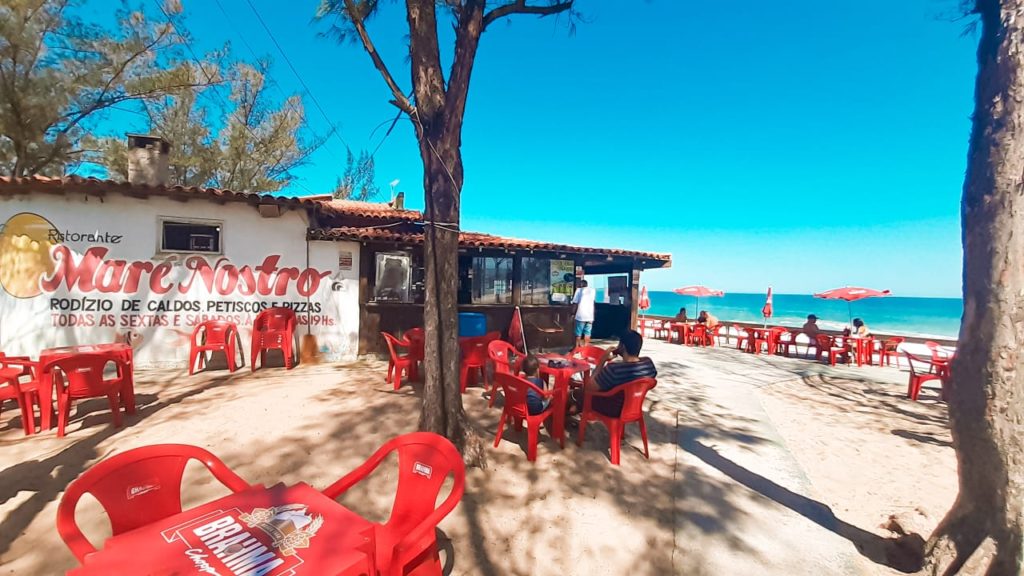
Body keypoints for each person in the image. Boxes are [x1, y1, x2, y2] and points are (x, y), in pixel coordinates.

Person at [570, 330, 657, 417]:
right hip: (633, 407)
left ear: (622, 347)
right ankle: (576, 407)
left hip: (613, 409)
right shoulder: (649, 364)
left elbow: (589, 388)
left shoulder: (614, 369)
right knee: (582, 397)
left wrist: (602, 360)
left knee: (575, 393)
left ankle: (570, 411)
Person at [572, 279, 597, 347]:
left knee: (578, 333)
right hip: (590, 316)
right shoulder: (592, 291)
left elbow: (575, 303)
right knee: (587, 333)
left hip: (581, 316)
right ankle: (586, 348)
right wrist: (593, 314)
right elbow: (593, 303)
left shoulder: (579, 291)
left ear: (581, 284)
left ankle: (577, 348)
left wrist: (573, 313)